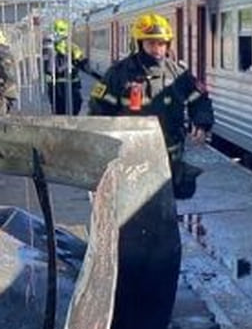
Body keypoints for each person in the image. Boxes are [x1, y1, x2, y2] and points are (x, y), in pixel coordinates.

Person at [88, 12, 214, 199]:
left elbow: (200, 99)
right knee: (134, 211)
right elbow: (98, 110)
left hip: (170, 159)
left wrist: (202, 123)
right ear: (140, 44)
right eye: (151, 43)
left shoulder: (178, 74)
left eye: (161, 44)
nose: (157, 49)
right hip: (131, 160)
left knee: (166, 211)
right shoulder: (119, 74)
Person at [44, 18, 90, 115]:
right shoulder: (53, 48)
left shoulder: (70, 48)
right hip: (63, 87)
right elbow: (50, 69)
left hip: (62, 87)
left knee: (63, 111)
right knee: (67, 111)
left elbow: (82, 64)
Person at [0, 25, 18, 116]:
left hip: (5, 92)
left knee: (0, 117)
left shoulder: (0, 52)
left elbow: (6, 74)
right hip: (8, 91)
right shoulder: (4, 50)